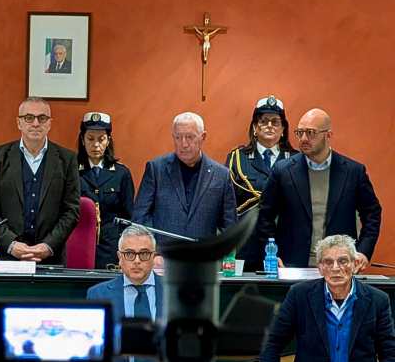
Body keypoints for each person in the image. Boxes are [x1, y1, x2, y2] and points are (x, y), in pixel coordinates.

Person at [260, 235, 395, 362]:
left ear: (355, 264)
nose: (336, 268)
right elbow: (271, 344)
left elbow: (391, 355)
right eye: (328, 262)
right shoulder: (299, 295)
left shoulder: (378, 300)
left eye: (343, 261)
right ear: (320, 267)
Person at [254, 108, 381, 269]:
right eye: (300, 133)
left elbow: (372, 214)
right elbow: (264, 216)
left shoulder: (353, 172)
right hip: (291, 265)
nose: (304, 139)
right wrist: (272, 254)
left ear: (328, 135)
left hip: (339, 266)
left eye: (311, 133)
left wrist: (363, 251)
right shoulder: (282, 171)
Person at [0, 97, 81, 265]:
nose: (35, 123)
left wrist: (48, 246)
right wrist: (11, 244)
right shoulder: (0, 156)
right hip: (8, 258)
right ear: (19, 123)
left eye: (42, 118)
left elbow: (71, 211)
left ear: (49, 123)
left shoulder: (67, 159)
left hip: (51, 259)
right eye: (29, 118)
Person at [80, 225, 164, 362]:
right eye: (129, 254)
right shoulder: (98, 294)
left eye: (144, 254)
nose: (137, 261)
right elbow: (90, 353)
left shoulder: (173, 292)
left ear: (153, 257)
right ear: (119, 257)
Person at [132, 112, 236, 242]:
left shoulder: (221, 175)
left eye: (190, 137)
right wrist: (153, 249)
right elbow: (140, 218)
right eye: (178, 137)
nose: (184, 144)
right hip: (163, 253)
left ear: (203, 137)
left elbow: (229, 227)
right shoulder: (156, 169)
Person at [76, 112, 135, 269]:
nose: (96, 145)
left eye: (101, 139)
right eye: (90, 139)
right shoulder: (71, 170)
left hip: (111, 248)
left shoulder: (121, 173)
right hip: (79, 245)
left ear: (108, 140)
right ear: (82, 140)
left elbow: (128, 217)